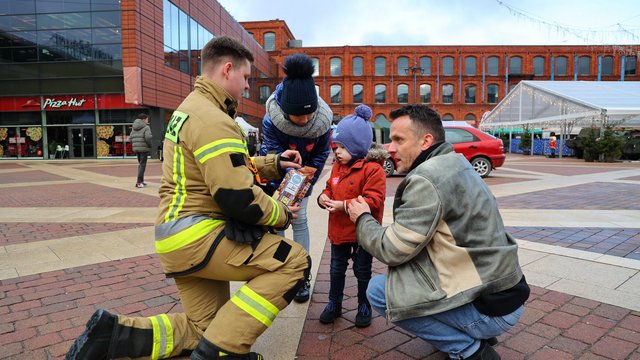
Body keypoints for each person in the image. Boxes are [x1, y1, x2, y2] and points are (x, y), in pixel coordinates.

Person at [65, 36, 311, 360]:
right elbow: (236, 195)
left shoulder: (190, 110)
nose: (248, 86)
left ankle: (112, 335)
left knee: (203, 329)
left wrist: (272, 164)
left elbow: (220, 168)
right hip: (199, 234)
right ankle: (224, 353)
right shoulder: (214, 119)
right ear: (227, 70)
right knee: (293, 261)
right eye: (247, 77)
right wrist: (281, 213)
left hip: (177, 236)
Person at [347, 104, 530, 360]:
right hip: (506, 291)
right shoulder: (456, 162)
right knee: (409, 276)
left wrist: (363, 218)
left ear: (426, 141)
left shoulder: (427, 178)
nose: (390, 148)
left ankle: (470, 350)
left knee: (379, 291)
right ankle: (477, 333)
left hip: (490, 308)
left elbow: (391, 250)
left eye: (398, 139)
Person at [259, 53, 333, 302]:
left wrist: (305, 181)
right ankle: (281, 274)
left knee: (300, 221)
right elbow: (270, 154)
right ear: (285, 112)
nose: (304, 121)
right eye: (298, 117)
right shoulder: (271, 121)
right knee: (278, 223)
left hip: (304, 181)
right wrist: (287, 175)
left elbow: (322, 153)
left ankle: (302, 275)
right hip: (278, 181)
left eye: (309, 116)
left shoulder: (322, 123)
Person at [317, 104, 386, 327]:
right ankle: (334, 303)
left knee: (362, 270)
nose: (337, 152)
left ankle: (363, 304)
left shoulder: (373, 169)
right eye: (335, 146)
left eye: (342, 147)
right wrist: (323, 198)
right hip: (338, 231)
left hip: (363, 233)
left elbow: (374, 199)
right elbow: (329, 188)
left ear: (357, 147)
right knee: (336, 269)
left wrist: (343, 205)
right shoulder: (337, 167)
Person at [130, 113, 153, 188]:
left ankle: (141, 181)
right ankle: (139, 182)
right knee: (142, 165)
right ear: (143, 119)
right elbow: (148, 138)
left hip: (136, 149)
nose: (147, 121)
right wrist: (150, 145)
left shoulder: (134, 127)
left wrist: (134, 145)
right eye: (147, 119)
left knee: (140, 164)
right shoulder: (146, 127)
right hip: (144, 148)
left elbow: (130, 138)